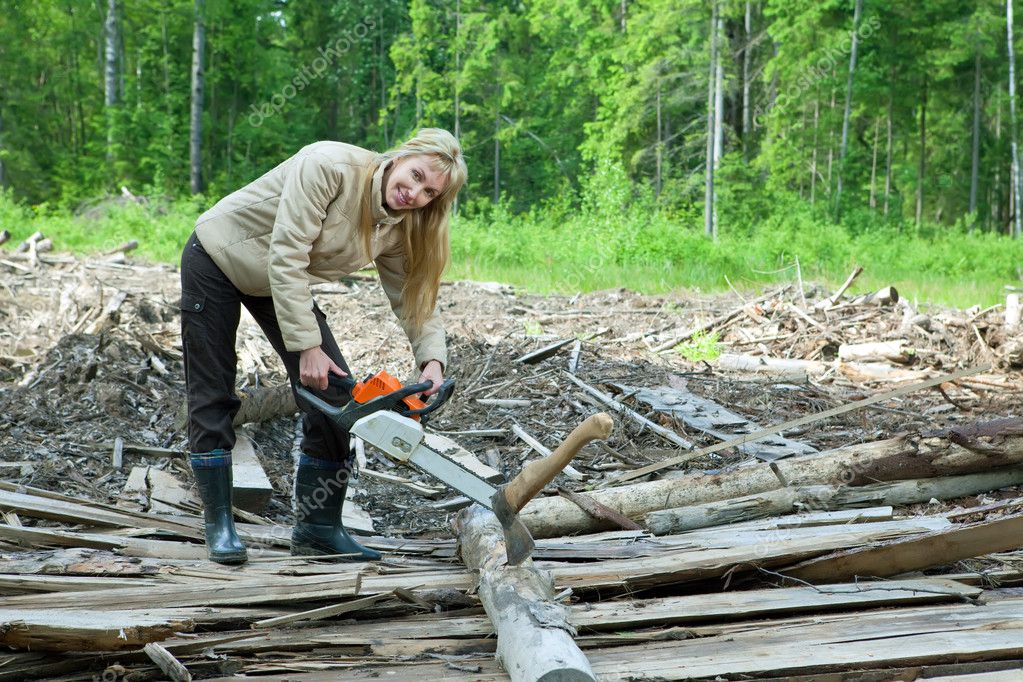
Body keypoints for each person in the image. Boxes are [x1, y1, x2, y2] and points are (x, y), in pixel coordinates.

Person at [179, 129, 467, 564]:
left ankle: (317, 529)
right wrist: (307, 346)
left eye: (429, 192)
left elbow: (413, 295)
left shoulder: (397, 222)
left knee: (334, 398)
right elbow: (287, 252)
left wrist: (432, 362)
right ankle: (219, 525)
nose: (415, 193)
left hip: (277, 280)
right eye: (416, 175)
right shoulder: (329, 166)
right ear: (401, 157)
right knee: (213, 391)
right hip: (218, 257)